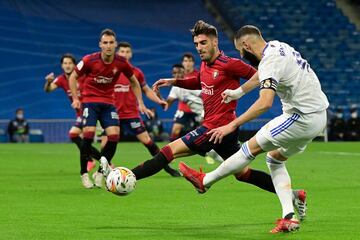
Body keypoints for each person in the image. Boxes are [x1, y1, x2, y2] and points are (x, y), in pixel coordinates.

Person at [100, 21, 304, 214]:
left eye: (203, 42)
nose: (199, 47)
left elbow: (259, 73)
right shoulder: (206, 64)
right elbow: (199, 80)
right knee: (244, 174)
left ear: (215, 41)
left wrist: (240, 91)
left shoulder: (230, 64)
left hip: (214, 128)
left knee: (167, 151)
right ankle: (294, 196)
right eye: (196, 43)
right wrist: (173, 81)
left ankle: (129, 176)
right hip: (224, 132)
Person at [179, 25, 329, 233]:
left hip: (300, 118)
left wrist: (231, 125)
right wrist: (238, 92)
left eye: (240, 51)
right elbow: (261, 75)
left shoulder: (269, 61)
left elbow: (265, 103)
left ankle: (206, 180)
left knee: (249, 148)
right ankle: (289, 216)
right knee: (274, 159)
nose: (241, 55)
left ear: (246, 46)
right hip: (318, 117)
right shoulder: (278, 46)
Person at [69, 29, 151, 188]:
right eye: (105, 42)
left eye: (111, 42)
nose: (108, 45)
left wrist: (140, 102)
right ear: (100, 44)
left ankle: (100, 172)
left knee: (114, 137)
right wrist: (75, 98)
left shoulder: (121, 62)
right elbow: (73, 76)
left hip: (108, 103)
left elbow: (134, 82)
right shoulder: (89, 60)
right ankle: (83, 173)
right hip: (90, 102)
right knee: (88, 136)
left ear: (115, 44)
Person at [100, 42, 180, 179]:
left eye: (127, 52)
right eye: (122, 52)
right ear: (118, 53)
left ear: (131, 54)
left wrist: (159, 100)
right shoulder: (109, 71)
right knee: (104, 144)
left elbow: (147, 90)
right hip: (112, 113)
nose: (124, 54)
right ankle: (106, 171)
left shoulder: (136, 72)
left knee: (148, 142)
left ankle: (167, 168)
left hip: (131, 114)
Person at [44, 53, 101, 172]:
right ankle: (98, 161)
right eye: (65, 63)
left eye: (70, 63)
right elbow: (48, 90)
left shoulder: (83, 75)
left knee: (74, 135)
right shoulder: (61, 79)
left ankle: (97, 161)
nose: (67, 65)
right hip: (80, 114)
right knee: (81, 139)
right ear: (61, 66)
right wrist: (48, 82)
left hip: (91, 110)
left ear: (74, 65)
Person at [167, 53, 201, 141]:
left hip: (198, 110)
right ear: (182, 63)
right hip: (183, 109)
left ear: (193, 63)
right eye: (185, 61)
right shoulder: (179, 77)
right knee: (175, 130)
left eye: (190, 61)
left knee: (204, 131)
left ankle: (209, 151)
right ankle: (171, 151)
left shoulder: (199, 75)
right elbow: (170, 100)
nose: (188, 63)